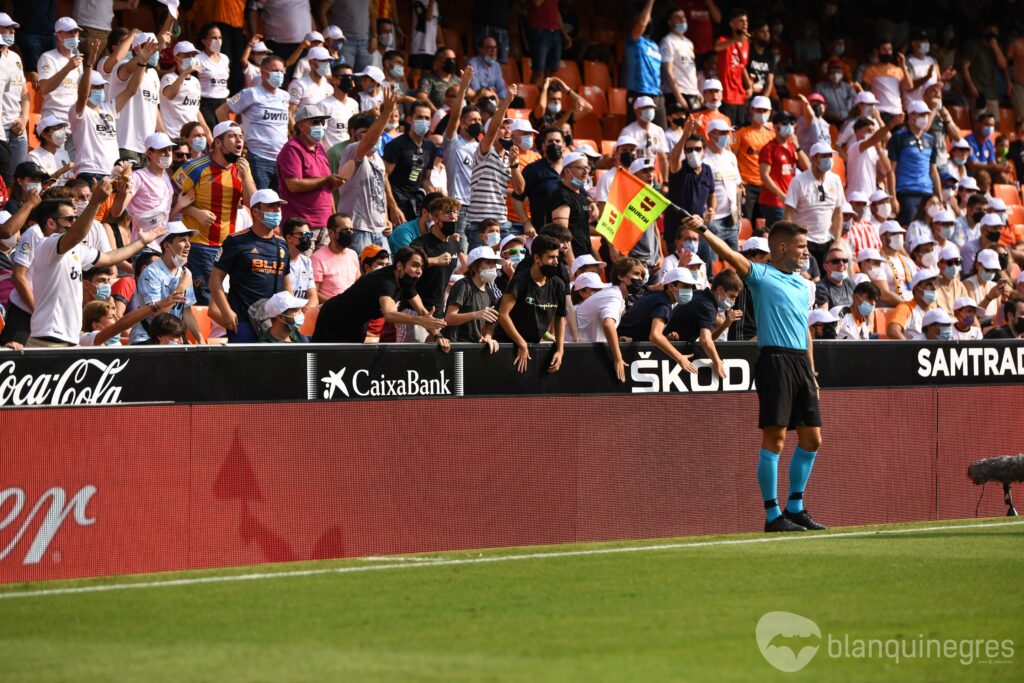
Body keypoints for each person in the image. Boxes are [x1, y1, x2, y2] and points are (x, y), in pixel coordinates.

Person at [692, 216, 827, 532]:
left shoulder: (802, 284)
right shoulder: (761, 275)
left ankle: (795, 508)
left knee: (812, 439)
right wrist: (703, 230)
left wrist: (812, 371)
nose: (806, 252)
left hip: (801, 366)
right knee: (776, 437)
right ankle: (772, 516)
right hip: (774, 361)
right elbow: (730, 254)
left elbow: (805, 331)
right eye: (802, 247)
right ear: (782, 247)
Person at [27, 184, 165, 347]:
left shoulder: (74, 249)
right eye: (69, 219)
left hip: (70, 340)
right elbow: (76, 235)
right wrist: (95, 202)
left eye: (75, 218)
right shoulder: (47, 244)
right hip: (47, 339)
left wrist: (141, 242)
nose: (74, 223)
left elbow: (108, 258)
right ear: (50, 223)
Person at [173, 120, 256, 305]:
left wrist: (247, 177)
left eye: (240, 137)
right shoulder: (194, 167)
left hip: (229, 247)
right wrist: (195, 212)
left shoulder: (242, 169)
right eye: (232, 136)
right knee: (206, 300)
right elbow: (171, 201)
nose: (239, 141)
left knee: (229, 300)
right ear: (218, 142)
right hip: (200, 246)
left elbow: (253, 204)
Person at [312, 245, 447, 343]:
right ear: (400, 265)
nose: (419, 271)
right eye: (415, 265)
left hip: (357, 325)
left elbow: (423, 312)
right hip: (333, 320)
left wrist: (438, 337)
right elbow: (389, 314)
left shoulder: (405, 281)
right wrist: (419, 321)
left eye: (422, 267)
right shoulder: (385, 282)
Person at [209, 188, 292, 343]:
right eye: (271, 206)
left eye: (278, 206)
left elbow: (286, 281)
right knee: (244, 366)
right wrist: (226, 311)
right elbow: (215, 280)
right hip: (243, 319)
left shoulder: (282, 244)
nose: (277, 210)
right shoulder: (235, 241)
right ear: (255, 212)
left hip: (274, 321)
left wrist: (291, 312)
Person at [336, 88, 399, 254]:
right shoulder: (352, 150)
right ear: (354, 135)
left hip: (379, 230)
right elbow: (370, 140)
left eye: (377, 132)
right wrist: (385, 114)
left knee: (384, 277)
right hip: (358, 229)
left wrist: (385, 218)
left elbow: (380, 191)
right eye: (365, 132)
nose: (375, 136)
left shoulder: (378, 158)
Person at [70, 45, 142, 186]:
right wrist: (89, 65)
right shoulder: (79, 110)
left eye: (101, 87)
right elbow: (83, 94)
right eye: (95, 87)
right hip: (90, 172)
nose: (100, 90)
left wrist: (142, 63)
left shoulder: (108, 108)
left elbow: (131, 90)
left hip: (113, 172)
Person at [496, 234, 567, 373]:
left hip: (534, 348)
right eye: (551, 257)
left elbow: (560, 317)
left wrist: (560, 349)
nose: (556, 262)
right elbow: (503, 314)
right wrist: (521, 343)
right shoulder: (520, 281)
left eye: (557, 257)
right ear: (536, 258)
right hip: (507, 346)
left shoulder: (558, 284)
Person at [219, 54, 291, 191]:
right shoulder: (250, 93)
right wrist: (234, 138)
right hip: (258, 158)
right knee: (260, 203)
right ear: (264, 72)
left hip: (282, 159)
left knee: (280, 204)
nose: (280, 74)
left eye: (282, 71)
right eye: (276, 71)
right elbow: (221, 111)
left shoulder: (285, 96)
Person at [128, 221, 204, 345]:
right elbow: (157, 314)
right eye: (182, 240)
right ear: (167, 246)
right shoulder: (151, 273)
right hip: (147, 338)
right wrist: (181, 287)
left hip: (172, 338)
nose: (188, 245)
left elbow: (187, 310)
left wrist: (200, 338)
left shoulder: (185, 273)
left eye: (188, 240)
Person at [466, 87, 522, 249]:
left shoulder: (509, 157)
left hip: (502, 224)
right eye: (502, 127)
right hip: (480, 224)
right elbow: (490, 131)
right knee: (481, 269)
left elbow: (519, 190)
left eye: (508, 128)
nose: (507, 131)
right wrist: (506, 102)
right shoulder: (484, 151)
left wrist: (514, 164)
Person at [574, 258, 646, 381]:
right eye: (636, 274)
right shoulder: (614, 296)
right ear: (621, 276)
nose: (639, 279)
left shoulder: (617, 296)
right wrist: (618, 358)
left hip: (586, 350)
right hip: (577, 352)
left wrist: (616, 339)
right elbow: (608, 324)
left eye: (642, 275)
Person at [666, 269, 744, 378]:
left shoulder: (700, 294)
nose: (733, 302)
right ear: (720, 289)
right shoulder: (708, 306)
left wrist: (725, 324)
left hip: (674, 348)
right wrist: (717, 362)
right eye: (732, 296)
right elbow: (705, 340)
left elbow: (709, 339)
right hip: (671, 352)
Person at [277, 103, 340, 231]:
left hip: (325, 223)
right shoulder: (292, 148)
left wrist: (333, 216)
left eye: (322, 122)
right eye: (316, 122)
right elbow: (293, 184)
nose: (320, 126)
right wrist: (327, 180)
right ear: (301, 125)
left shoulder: (320, 147)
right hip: (301, 227)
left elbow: (327, 188)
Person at [109, 132, 181, 242]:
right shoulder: (137, 177)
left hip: (162, 243)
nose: (167, 153)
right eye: (162, 150)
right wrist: (123, 194)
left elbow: (163, 217)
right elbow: (115, 213)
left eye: (170, 149)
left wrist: (180, 204)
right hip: (143, 244)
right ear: (149, 153)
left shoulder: (166, 179)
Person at [783, 141, 843, 269]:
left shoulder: (835, 180)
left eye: (830, 155)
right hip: (805, 241)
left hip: (827, 241)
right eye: (824, 156)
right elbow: (788, 215)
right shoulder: (799, 181)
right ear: (813, 158)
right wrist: (794, 242)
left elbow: (838, 213)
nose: (828, 159)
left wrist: (837, 241)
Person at [108, 31, 164, 165]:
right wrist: (141, 59)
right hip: (125, 144)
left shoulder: (154, 74)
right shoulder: (122, 66)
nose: (154, 52)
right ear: (137, 49)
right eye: (150, 48)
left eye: (156, 48)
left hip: (149, 148)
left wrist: (163, 136)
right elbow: (127, 70)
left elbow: (154, 109)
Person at [409, 201, 464, 329]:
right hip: (415, 311)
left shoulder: (454, 244)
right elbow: (407, 267)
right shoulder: (420, 243)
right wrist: (435, 261)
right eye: (447, 212)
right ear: (434, 217)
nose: (453, 217)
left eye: (455, 212)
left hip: (438, 312)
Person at [37, 17, 84, 159]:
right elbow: (44, 89)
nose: (74, 36)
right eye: (69, 32)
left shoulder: (78, 59)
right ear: (58, 35)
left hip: (75, 123)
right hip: (55, 124)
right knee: (57, 169)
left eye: (76, 32)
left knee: (72, 172)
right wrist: (67, 68)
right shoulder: (48, 58)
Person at [384, 100, 438, 221]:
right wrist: (393, 208)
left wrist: (438, 201)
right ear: (409, 119)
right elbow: (383, 176)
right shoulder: (397, 144)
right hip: (396, 205)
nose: (424, 121)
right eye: (419, 117)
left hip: (416, 204)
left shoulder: (430, 147)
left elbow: (426, 180)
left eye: (427, 118)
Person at [889, 100, 941, 225]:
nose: (925, 118)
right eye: (921, 114)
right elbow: (891, 169)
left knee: (930, 230)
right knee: (909, 228)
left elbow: (933, 171)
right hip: (906, 192)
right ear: (911, 116)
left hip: (927, 193)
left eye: (926, 114)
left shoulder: (931, 139)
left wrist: (940, 198)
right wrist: (893, 197)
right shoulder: (899, 137)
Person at [443, 245, 503, 349]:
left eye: (494, 263)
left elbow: (489, 324)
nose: (493, 267)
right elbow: (449, 318)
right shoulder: (463, 286)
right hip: (453, 346)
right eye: (488, 262)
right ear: (475, 266)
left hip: (475, 347)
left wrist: (488, 337)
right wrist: (475, 314)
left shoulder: (489, 292)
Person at [544, 150, 595, 266]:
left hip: (583, 259)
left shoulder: (582, 196)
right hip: (567, 262)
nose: (586, 172)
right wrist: (572, 264)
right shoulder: (561, 195)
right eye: (580, 168)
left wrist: (594, 256)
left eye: (587, 168)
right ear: (567, 171)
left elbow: (582, 231)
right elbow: (561, 234)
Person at [758, 112, 807, 227]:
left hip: (791, 201)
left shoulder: (792, 147)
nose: (789, 126)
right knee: (781, 236)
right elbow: (764, 176)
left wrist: (798, 147)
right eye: (785, 123)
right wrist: (781, 194)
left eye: (791, 123)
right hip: (774, 202)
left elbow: (807, 168)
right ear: (775, 126)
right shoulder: (769, 149)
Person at [667, 129, 715, 246]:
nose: (693, 153)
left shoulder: (707, 170)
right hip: (678, 231)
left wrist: (712, 209)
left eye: (698, 149)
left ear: (704, 151)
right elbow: (673, 158)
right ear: (684, 152)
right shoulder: (679, 168)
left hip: (699, 228)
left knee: (704, 263)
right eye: (689, 150)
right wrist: (685, 135)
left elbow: (712, 194)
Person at [161, 41, 209, 150]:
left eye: (193, 55)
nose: (191, 58)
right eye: (187, 55)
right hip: (174, 136)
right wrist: (184, 73)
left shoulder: (196, 81)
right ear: (177, 58)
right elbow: (169, 95)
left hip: (194, 137)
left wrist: (207, 132)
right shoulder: (168, 78)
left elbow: (196, 109)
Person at [624, 0, 665, 128]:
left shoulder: (654, 45)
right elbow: (642, 23)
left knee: (660, 135)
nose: (648, 21)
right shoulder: (633, 40)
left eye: (650, 20)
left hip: (657, 95)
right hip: (639, 93)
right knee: (636, 134)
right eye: (645, 18)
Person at [733, 96, 773, 222]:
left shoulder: (772, 135)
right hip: (747, 184)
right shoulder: (741, 133)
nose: (761, 114)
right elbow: (732, 157)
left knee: (763, 222)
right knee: (747, 221)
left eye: (764, 111)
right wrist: (737, 180)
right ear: (751, 110)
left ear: (770, 112)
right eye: (758, 110)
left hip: (766, 185)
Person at [0, 13, 30, 180]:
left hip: (18, 127)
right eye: (6, 27)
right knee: (4, 180)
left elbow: (24, 92)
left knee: (21, 180)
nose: (11, 31)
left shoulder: (15, 57)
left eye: (13, 28)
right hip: (1, 130)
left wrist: (24, 118)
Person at [714, 8, 750, 127]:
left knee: (741, 130)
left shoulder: (746, 44)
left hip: (741, 95)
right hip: (727, 95)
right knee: (728, 129)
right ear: (731, 24)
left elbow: (742, 66)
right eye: (741, 21)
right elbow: (717, 48)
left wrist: (749, 85)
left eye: (746, 21)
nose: (745, 24)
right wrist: (735, 40)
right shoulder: (724, 40)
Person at [311, 213, 360, 300]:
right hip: (330, 309)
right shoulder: (317, 258)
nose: (349, 233)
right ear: (331, 233)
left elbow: (357, 284)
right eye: (345, 230)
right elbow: (313, 292)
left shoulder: (353, 254)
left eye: (351, 229)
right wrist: (335, 305)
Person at [660, 9, 699, 113]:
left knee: (694, 128)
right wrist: (678, 96)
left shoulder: (689, 43)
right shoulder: (668, 41)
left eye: (684, 17)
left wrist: (697, 91)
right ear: (670, 22)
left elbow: (691, 69)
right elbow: (668, 70)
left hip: (692, 91)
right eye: (677, 17)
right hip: (677, 93)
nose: (682, 20)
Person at [620, 96, 669, 180]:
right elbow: (622, 157)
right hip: (634, 175)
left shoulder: (658, 130)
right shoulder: (628, 131)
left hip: (651, 174)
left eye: (651, 107)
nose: (649, 110)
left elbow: (663, 157)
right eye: (645, 108)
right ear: (636, 111)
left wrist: (665, 181)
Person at [887, 268, 940, 340]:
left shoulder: (934, 311)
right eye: (929, 284)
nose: (934, 288)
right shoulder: (906, 308)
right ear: (916, 289)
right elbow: (893, 331)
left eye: (935, 284)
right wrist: (910, 348)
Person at [322, 62, 361, 150]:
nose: (349, 80)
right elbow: (319, 137)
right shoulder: (323, 105)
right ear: (334, 80)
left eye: (351, 77)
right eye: (345, 77)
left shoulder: (354, 104)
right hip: (331, 158)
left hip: (350, 155)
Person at [26, 115, 73, 186]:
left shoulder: (63, 153)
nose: (60, 131)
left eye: (61, 127)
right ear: (44, 134)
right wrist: (60, 172)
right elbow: (39, 185)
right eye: (56, 128)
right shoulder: (33, 157)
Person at [281, 217, 318, 306]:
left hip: (302, 313)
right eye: (303, 234)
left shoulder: (306, 261)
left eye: (309, 235)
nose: (307, 238)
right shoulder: (279, 261)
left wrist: (306, 313)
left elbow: (313, 296)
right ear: (289, 237)